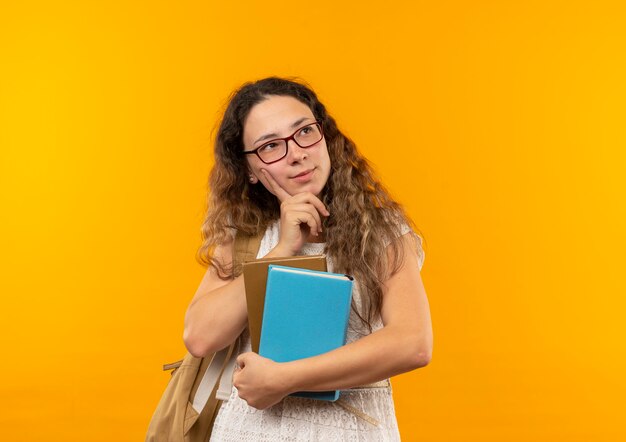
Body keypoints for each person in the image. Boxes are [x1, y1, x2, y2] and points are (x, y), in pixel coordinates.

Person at [183, 77, 433, 441]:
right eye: (271, 146)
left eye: (304, 132)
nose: (297, 153)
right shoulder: (246, 234)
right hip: (249, 430)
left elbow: (413, 343)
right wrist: (282, 250)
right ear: (250, 170)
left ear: (325, 136)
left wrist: (283, 379)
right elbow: (200, 337)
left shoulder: (380, 231)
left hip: (351, 430)